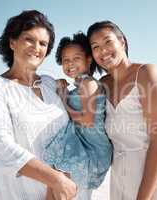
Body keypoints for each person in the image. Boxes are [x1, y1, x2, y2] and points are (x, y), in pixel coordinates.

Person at [0, 10, 77, 200]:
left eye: (43, 43)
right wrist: (55, 179)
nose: (36, 47)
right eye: (29, 39)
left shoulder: (50, 83)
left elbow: (72, 131)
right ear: (12, 42)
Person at [87, 21, 157, 200]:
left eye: (108, 42)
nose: (102, 51)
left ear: (122, 42)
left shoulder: (147, 74)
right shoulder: (102, 86)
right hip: (122, 178)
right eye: (95, 47)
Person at [43, 32, 113, 200]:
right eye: (65, 60)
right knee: (56, 188)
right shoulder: (80, 84)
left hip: (91, 148)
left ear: (89, 59)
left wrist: (64, 98)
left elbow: (87, 120)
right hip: (80, 144)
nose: (70, 64)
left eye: (76, 58)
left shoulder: (88, 83)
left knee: (65, 191)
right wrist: (65, 92)